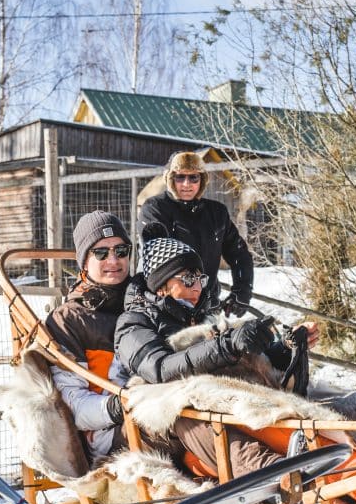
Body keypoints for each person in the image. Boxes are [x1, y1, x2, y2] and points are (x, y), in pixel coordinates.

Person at [115, 223, 317, 479]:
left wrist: (286, 349)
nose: (197, 287)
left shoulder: (200, 317)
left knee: (247, 403)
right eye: (188, 279)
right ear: (161, 285)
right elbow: (160, 369)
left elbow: (231, 365)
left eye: (201, 278)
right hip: (155, 427)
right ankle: (275, 474)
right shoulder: (134, 322)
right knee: (188, 412)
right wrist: (226, 345)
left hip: (211, 404)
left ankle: (322, 460)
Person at [43, 211, 134, 461]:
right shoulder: (69, 319)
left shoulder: (145, 303)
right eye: (101, 253)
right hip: (112, 431)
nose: (113, 260)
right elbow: (73, 404)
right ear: (84, 262)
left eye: (121, 251)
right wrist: (121, 406)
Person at [139, 151, 255, 315]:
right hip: (166, 307)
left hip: (208, 307)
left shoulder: (217, 213)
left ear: (202, 180)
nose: (187, 184)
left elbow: (239, 254)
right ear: (170, 179)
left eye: (194, 177)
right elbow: (158, 260)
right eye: (180, 177)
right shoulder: (155, 209)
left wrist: (242, 293)